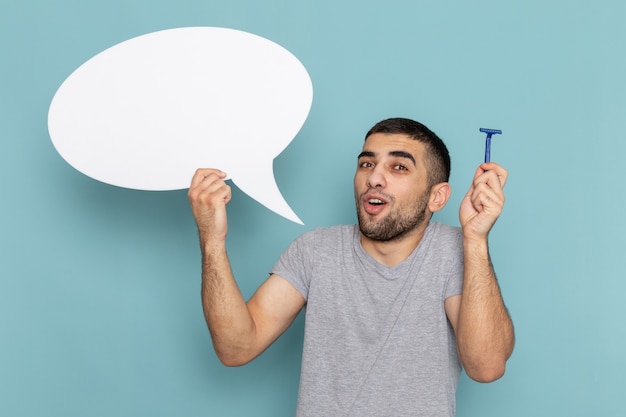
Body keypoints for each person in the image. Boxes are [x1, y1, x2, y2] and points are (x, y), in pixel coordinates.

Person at [188, 117, 514, 417]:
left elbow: (486, 366)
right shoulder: (315, 251)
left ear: (437, 197)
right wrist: (212, 240)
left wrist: (475, 240)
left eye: (398, 167)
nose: (374, 178)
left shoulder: (453, 252)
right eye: (367, 164)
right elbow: (236, 348)